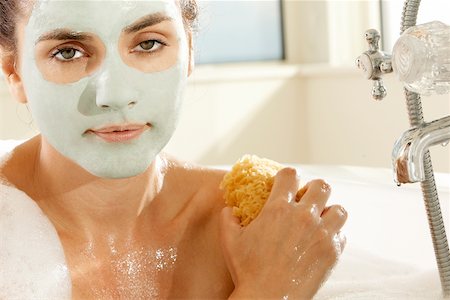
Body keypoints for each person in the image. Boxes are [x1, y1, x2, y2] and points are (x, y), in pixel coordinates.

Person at [0, 0, 348, 298]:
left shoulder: (267, 229)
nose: (117, 95)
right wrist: (267, 291)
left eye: (148, 44)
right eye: (68, 52)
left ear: (190, 51)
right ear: (13, 72)